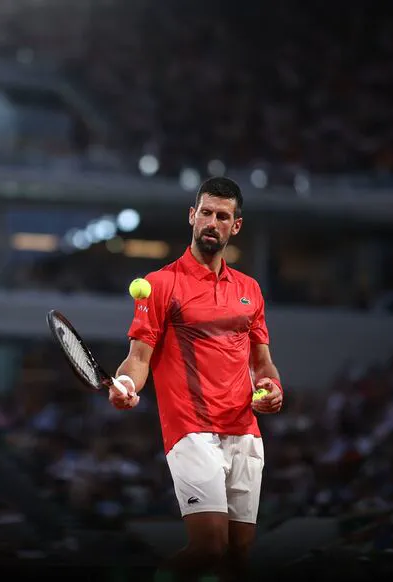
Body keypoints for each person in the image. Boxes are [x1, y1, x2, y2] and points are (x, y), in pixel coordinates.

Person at [111, 177, 284, 581]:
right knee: (209, 546)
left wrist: (272, 388)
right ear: (192, 216)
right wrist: (127, 385)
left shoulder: (250, 290)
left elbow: (263, 364)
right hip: (191, 430)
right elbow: (138, 358)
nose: (212, 222)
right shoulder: (159, 284)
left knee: (238, 554)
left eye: (222, 216)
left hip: (244, 430)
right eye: (205, 212)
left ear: (235, 226)